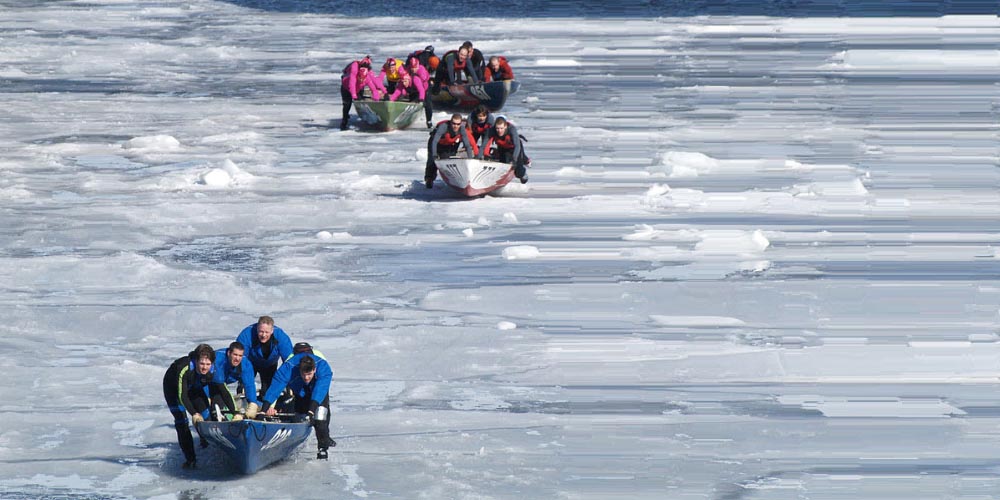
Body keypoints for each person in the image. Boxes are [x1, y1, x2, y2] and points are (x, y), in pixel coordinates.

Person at [162, 343, 233, 469]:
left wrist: (236, 412)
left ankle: (207, 443)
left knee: (206, 414)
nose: (204, 368)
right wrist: (194, 413)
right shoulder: (183, 367)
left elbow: (224, 391)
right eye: (201, 364)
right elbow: (182, 395)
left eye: (207, 364)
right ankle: (190, 459)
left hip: (194, 386)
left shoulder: (213, 369)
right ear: (196, 361)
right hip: (173, 389)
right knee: (182, 421)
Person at [260, 344, 336, 459]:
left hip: (317, 390)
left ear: (314, 370)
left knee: (320, 415)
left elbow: (320, 391)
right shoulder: (288, 368)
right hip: (299, 391)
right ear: (299, 369)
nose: (306, 378)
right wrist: (263, 410)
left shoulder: (323, 368)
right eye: (304, 374)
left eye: (309, 374)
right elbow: (274, 389)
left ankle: (323, 447)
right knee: (295, 413)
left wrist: (311, 411)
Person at [235, 315, 294, 396]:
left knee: (268, 392)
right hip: (250, 363)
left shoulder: (281, 336)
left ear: (272, 331)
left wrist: (288, 381)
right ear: (257, 329)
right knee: (245, 385)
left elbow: (289, 361)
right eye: (261, 331)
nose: (263, 335)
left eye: (266, 332)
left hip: (270, 364)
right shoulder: (246, 334)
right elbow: (239, 356)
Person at [425, 113, 478, 189]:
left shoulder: (462, 129)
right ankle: (429, 179)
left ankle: (452, 179)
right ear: (450, 122)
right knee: (432, 161)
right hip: (435, 143)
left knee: (448, 160)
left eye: (458, 124)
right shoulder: (444, 127)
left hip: (447, 145)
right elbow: (435, 141)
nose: (455, 126)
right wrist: (434, 154)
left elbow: (467, 145)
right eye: (453, 123)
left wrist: (470, 160)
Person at [212, 341, 260, 420]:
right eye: (235, 355)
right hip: (209, 382)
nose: (237, 358)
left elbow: (249, 385)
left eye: (240, 355)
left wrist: (252, 403)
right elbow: (221, 388)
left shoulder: (246, 364)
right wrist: (235, 412)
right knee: (215, 402)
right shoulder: (218, 360)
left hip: (222, 384)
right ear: (229, 353)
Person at [478, 116, 530, 184]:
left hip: (514, 148)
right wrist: (478, 157)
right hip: (502, 148)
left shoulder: (511, 129)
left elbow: (517, 146)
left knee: (519, 172)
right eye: (497, 128)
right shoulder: (491, 131)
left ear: (505, 126)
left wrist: (514, 159)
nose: (499, 131)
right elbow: (483, 145)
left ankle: (523, 171)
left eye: (501, 128)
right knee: (503, 166)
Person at [339, 56, 383, 130]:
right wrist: (353, 94)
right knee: (347, 105)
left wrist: (377, 95)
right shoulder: (353, 75)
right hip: (346, 88)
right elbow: (351, 85)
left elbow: (373, 87)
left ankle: (366, 117)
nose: (362, 80)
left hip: (358, 88)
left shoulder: (367, 78)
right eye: (360, 78)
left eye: (363, 79)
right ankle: (344, 121)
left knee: (362, 102)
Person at [404, 54, 434, 128]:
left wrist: (421, 98)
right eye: (412, 68)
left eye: (415, 68)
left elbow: (422, 85)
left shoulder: (421, 70)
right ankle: (408, 119)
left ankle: (429, 121)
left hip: (424, 88)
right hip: (414, 88)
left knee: (428, 104)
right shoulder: (408, 69)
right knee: (412, 102)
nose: (413, 69)